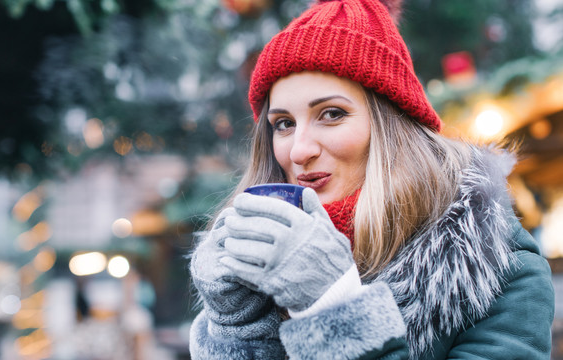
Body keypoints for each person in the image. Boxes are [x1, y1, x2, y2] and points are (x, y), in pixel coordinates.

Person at [188, 0, 555, 358]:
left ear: (392, 128)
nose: (299, 150)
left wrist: (332, 306)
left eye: (331, 114)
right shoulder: (262, 266)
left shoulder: (502, 273)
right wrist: (237, 329)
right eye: (283, 123)